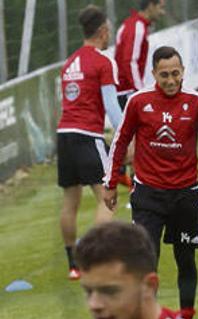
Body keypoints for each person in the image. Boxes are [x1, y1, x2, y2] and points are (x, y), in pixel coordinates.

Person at [104, 46, 198, 319]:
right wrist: (110, 182)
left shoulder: (197, 103)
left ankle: (187, 318)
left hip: (185, 195)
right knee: (147, 260)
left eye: (175, 74)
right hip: (148, 195)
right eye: (164, 75)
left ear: (183, 72)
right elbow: (120, 140)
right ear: (154, 74)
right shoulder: (138, 101)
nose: (170, 81)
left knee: (186, 259)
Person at [57, 5, 124, 281]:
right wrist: (126, 136)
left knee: (70, 202)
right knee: (107, 199)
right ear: (103, 31)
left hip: (64, 135)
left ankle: (73, 265)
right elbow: (111, 105)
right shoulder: (102, 62)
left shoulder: (68, 63)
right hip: (87, 135)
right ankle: (96, 260)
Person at [114, 0, 166, 110]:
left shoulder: (131, 24)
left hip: (124, 91)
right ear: (151, 6)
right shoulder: (137, 27)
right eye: (160, 8)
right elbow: (129, 62)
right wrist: (140, 91)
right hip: (127, 92)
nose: (162, 13)